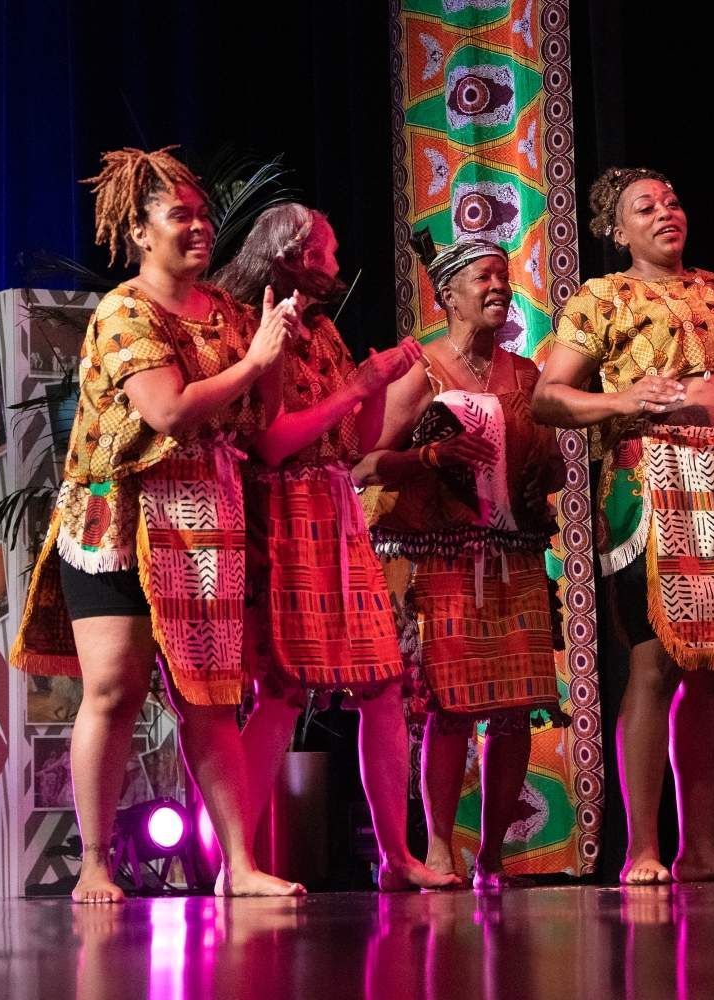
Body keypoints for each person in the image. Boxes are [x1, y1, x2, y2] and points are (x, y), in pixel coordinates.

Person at [10, 146, 302, 902]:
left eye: (205, 215)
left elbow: (263, 427)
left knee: (209, 694)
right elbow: (167, 409)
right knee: (114, 686)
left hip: (205, 517)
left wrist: (269, 363)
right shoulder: (124, 312)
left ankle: (239, 866)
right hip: (116, 520)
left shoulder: (235, 315)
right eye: (183, 216)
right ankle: (97, 864)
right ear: (140, 233)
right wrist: (252, 362)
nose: (201, 227)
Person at [533, 167, 714, 883]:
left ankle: (703, 847)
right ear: (615, 231)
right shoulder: (602, 298)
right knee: (656, 663)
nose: (666, 213)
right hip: (653, 480)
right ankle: (643, 849)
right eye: (645, 207)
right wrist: (624, 397)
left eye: (673, 200)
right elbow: (550, 398)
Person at [213, 203, 455, 892]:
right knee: (284, 692)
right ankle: (241, 864)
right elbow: (273, 440)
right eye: (324, 252)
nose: (335, 266)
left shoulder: (322, 331)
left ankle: (397, 858)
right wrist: (355, 387)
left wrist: (373, 384)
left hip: (335, 509)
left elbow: (359, 438)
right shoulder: (255, 324)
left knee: (382, 684)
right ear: (288, 255)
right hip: (283, 510)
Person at [358, 236, 565, 891]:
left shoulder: (527, 374)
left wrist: (543, 462)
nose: (498, 288)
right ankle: (440, 846)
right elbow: (364, 463)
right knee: (451, 709)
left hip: (514, 556)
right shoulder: (423, 374)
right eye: (484, 278)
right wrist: (431, 460)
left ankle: (494, 853)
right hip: (442, 557)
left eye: (504, 277)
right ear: (448, 295)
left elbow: (554, 466)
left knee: (513, 711)